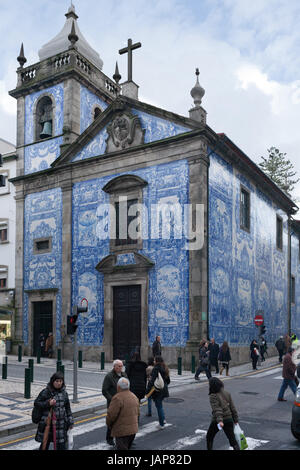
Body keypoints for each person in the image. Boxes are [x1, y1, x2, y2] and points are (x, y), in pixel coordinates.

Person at [34, 371, 73, 450]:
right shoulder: (46, 392)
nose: (59, 383)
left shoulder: (64, 393)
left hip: (60, 425)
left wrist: (70, 421)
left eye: (60, 381)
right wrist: (48, 403)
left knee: (61, 446)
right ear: (53, 381)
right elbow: (37, 403)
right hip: (48, 425)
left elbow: (68, 408)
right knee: (45, 444)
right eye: (57, 381)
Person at [206, 377, 240, 450]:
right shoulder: (227, 393)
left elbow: (217, 409)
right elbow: (232, 407)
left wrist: (220, 421)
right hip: (229, 419)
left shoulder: (213, 395)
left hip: (218, 421)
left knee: (209, 436)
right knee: (232, 440)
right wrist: (235, 419)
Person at [106, 377, 140, 450]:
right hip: (133, 430)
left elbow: (111, 415)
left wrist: (109, 424)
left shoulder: (117, 398)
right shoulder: (134, 396)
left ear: (118, 387)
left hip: (121, 430)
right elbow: (138, 413)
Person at [102, 359, 127, 445]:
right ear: (114, 367)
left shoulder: (124, 375)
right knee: (112, 421)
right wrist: (112, 399)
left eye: (121, 366)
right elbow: (104, 390)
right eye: (119, 366)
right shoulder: (109, 376)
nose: (121, 368)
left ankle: (122, 439)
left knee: (122, 421)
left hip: (123, 402)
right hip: (113, 403)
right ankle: (109, 438)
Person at [146, 356, 170, 429]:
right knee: (160, 406)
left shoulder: (156, 368)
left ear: (156, 361)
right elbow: (168, 380)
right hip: (164, 389)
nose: (153, 361)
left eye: (154, 360)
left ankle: (161, 424)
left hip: (158, 390)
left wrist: (147, 390)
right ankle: (163, 419)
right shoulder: (165, 368)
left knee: (159, 406)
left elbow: (152, 380)